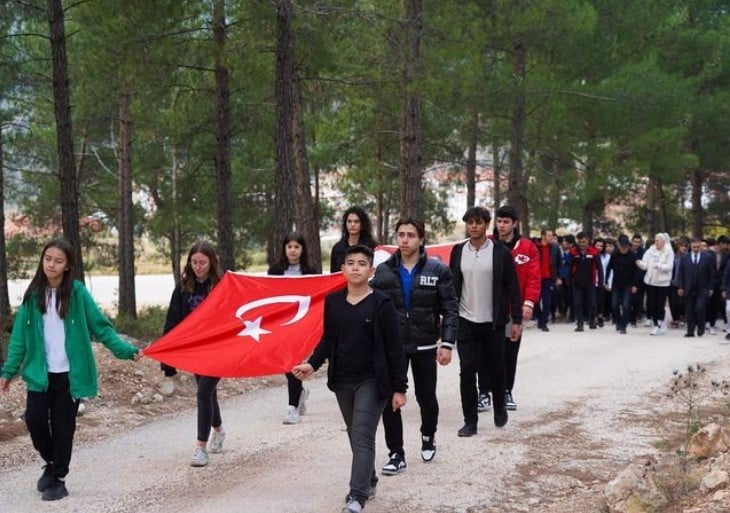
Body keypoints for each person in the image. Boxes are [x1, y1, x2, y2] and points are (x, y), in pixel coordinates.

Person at [0, 239, 141, 501]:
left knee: (64, 427)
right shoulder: (32, 297)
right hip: (39, 375)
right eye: (48, 259)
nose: (51, 265)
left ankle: (59, 478)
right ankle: (52, 463)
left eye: (58, 261)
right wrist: (8, 372)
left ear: (67, 266)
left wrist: (126, 351)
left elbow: (101, 328)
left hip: (70, 376)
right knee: (34, 419)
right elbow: (19, 339)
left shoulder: (77, 293)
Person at [292, 244, 407, 513]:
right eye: (351, 263)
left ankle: (357, 496)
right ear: (342, 269)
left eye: (362, 263)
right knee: (356, 435)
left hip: (373, 381)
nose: (356, 267)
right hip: (342, 380)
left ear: (372, 271)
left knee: (363, 435)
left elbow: (395, 349)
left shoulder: (382, 303)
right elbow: (328, 340)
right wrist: (312, 364)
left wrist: (399, 389)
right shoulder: (333, 302)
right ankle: (369, 479)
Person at [370, 218, 457, 474]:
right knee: (390, 399)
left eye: (410, 235)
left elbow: (450, 308)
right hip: (393, 347)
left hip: (425, 344)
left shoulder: (437, 270)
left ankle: (428, 435)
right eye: (400, 235)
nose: (404, 240)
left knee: (426, 397)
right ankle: (396, 453)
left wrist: (448, 343)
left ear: (421, 239)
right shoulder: (384, 271)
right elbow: (372, 306)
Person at [449, 206, 522, 437]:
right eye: (469, 222)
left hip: (493, 321)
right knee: (467, 370)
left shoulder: (499, 252)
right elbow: (452, 286)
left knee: (496, 368)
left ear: (486, 224)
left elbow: (512, 287)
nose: (473, 226)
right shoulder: (458, 251)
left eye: (478, 222)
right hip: (466, 320)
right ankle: (470, 421)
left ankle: (499, 405)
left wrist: (517, 320)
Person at [161, 241, 226, 467]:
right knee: (208, 393)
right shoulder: (182, 288)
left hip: (219, 348)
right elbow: (172, 322)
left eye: (203, 263)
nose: (198, 267)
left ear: (211, 262)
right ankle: (218, 430)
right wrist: (168, 362)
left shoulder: (221, 286)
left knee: (204, 392)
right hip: (196, 350)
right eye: (194, 262)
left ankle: (201, 447)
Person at [480, 205, 539, 412]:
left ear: (514, 224)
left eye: (506, 221)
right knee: (486, 352)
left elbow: (533, 277)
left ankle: (505, 391)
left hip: (513, 309)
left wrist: (528, 303)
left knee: (509, 351)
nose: (502, 225)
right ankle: (484, 393)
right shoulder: (487, 245)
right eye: (499, 221)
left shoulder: (527, 247)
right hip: (488, 308)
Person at [268, 231, 320, 424]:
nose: (292, 250)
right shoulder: (274, 270)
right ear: (284, 249)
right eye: (289, 246)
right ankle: (300, 392)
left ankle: (292, 406)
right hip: (282, 323)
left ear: (302, 249)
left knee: (293, 360)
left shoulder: (310, 270)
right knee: (286, 362)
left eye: (296, 246)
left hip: (302, 323)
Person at [636, 233, 674, 335]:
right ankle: (657, 323)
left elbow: (670, 266)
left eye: (658, 240)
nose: (656, 242)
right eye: (655, 240)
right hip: (651, 281)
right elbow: (645, 265)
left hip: (663, 283)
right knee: (652, 304)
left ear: (663, 241)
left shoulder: (669, 251)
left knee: (660, 305)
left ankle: (660, 324)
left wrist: (660, 266)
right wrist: (639, 263)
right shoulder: (651, 250)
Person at [677, 238, 717, 337]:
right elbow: (681, 273)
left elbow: (712, 274)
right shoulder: (685, 258)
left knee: (700, 308)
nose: (696, 249)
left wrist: (711, 288)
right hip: (688, 287)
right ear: (690, 246)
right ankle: (690, 331)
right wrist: (680, 287)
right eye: (694, 247)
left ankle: (701, 328)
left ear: (700, 247)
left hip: (703, 288)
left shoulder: (707, 257)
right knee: (689, 309)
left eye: (698, 247)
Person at [605, 235, 639, 334]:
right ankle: (618, 321)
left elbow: (637, 271)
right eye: (622, 246)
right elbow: (609, 268)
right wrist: (606, 281)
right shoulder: (615, 254)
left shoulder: (632, 255)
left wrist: (635, 285)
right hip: (616, 283)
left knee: (625, 305)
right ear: (619, 245)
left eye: (626, 247)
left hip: (628, 283)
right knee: (614, 304)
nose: (624, 249)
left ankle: (623, 326)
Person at [330, 206, 378, 273]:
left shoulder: (372, 247)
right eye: (349, 221)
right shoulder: (337, 248)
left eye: (356, 221)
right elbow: (333, 275)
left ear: (362, 225)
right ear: (345, 224)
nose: (352, 225)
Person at [569, 232, 600, 331]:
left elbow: (599, 268)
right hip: (577, 283)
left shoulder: (594, 252)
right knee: (578, 303)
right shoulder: (573, 252)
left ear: (588, 241)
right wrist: (569, 280)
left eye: (584, 242)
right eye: (580, 242)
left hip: (590, 282)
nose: (582, 244)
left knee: (592, 304)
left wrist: (601, 281)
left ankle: (591, 321)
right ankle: (580, 324)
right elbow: (570, 267)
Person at [535, 228, 560, 332]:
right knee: (535, 301)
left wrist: (558, 277)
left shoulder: (555, 248)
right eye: (549, 236)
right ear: (543, 236)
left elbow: (559, 263)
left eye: (552, 236)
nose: (552, 238)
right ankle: (539, 318)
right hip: (536, 278)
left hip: (549, 279)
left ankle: (544, 322)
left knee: (547, 302)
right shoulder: (535, 247)